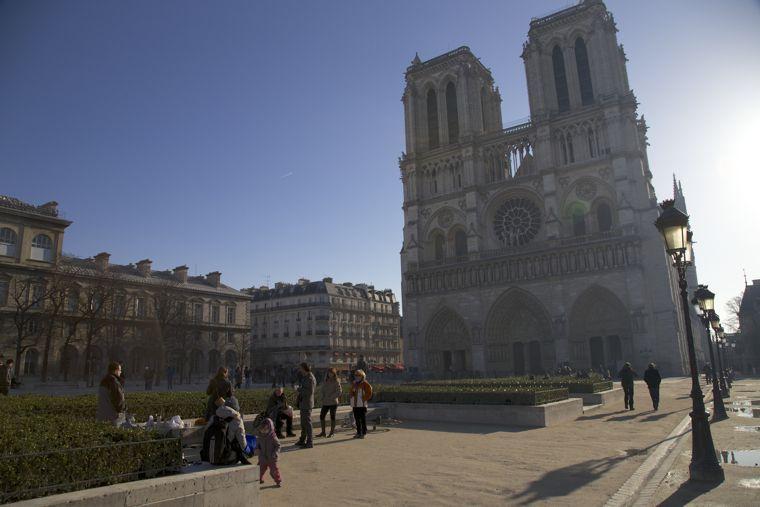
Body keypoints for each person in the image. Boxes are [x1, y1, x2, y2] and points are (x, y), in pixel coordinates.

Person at [209, 397, 250, 465]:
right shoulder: (237, 420)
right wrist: (248, 451)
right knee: (238, 442)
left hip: (213, 456)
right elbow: (242, 441)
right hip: (228, 457)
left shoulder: (215, 416)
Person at [256, 417, 282, 486]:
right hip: (262, 458)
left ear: (270, 429)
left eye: (265, 430)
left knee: (274, 471)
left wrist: (275, 453)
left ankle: (278, 481)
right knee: (260, 470)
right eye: (262, 430)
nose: (263, 431)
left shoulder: (273, 437)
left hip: (272, 458)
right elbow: (257, 446)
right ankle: (259, 479)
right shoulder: (259, 437)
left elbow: (278, 446)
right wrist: (258, 451)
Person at [317, 367, 342, 438]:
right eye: (329, 373)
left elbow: (339, 391)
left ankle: (332, 432)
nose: (330, 374)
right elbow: (322, 390)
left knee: (332, 416)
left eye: (331, 373)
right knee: (322, 416)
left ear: (334, 374)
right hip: (325, 402)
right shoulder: (325, 380)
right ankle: (323, 432)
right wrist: (322, 396)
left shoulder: (336, 381)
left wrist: (331, 397)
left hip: (333, 402)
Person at [295, 362, 316, 448]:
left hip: (307, 403)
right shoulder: (305, 377)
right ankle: (302, 439)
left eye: (300, 368)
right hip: (303, 403)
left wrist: (299, 390)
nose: (299, 370)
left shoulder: (310, 378)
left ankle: (310, 442)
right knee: (303, 423)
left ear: (304, 368)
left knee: (307, 423)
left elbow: (310, 392)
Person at [349, 369, 373, 439]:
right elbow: (351, 392)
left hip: (362, 405)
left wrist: (364, 399)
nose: (357, 377)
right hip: (355, 405)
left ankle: (364, 432)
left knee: (362, 419)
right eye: (356, 375)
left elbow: (369, 393)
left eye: (359, 375)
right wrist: (352, 394)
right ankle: (358, 432)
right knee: (357, 419)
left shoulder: (365, 384)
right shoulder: (354, 383)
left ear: (362, 376)